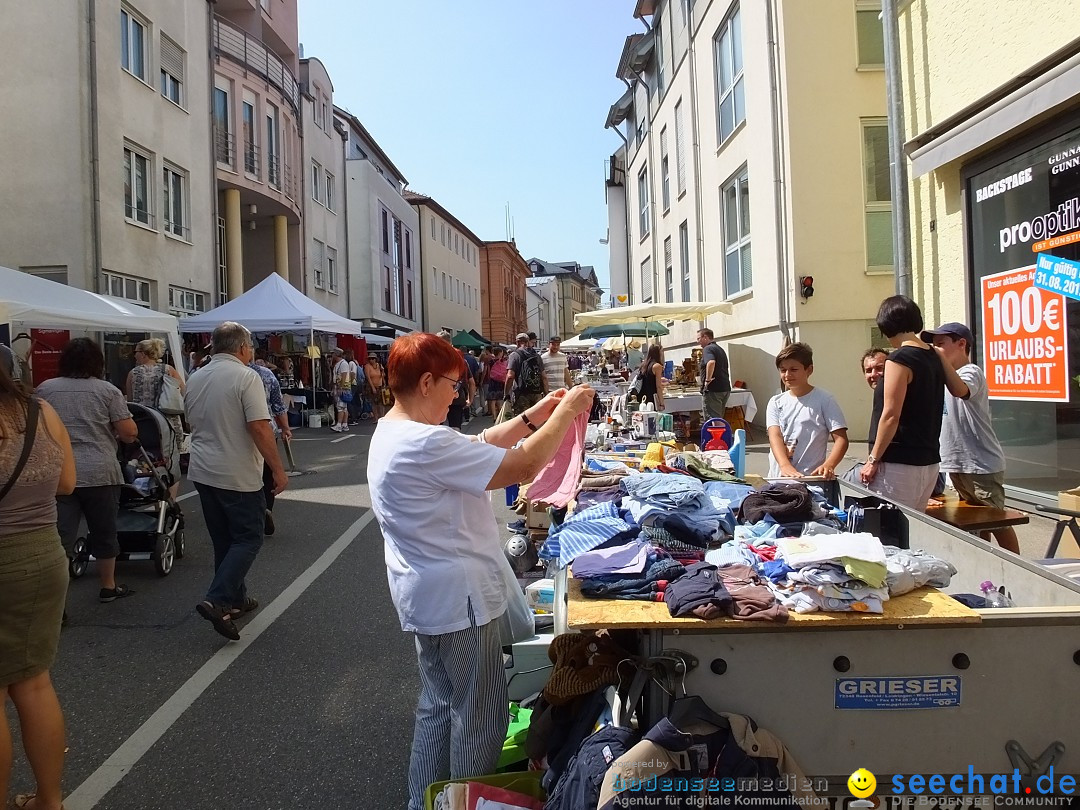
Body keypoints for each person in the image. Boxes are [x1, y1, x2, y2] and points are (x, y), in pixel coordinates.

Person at [366, 332, 595, 810]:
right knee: (478, 714)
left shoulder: (394, 430)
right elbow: (524, 465)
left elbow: (477, 442)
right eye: (453, 383)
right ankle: (463, 801)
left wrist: (533, 415)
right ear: (427, 382)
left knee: (437, 707)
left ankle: (425, 799)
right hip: (458, 601)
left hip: (426, 595)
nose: (460, 392)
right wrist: (567, 412)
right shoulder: (423, 442)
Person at [0, 349, 75, 810]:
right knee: (34, 683)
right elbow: (67, 483)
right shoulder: (41, 411)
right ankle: (49, 800)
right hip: (43, 554)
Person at [185, 322, 288, 641]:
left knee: (224, 539)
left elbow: (190, 419)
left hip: (203, 469)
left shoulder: (196, 376)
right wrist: (278, 468)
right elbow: (259, 426)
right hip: (236, 470)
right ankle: (217, 599)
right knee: (249, 536)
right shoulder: (246, 377)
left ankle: (236, 598)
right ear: (243, 348)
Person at [37, 338, 139, 603]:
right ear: (97, 362)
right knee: (105, 531)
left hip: (58, 474)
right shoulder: (107, 391)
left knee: (60, 537)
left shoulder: (46, 389)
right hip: (100, 472)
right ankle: (108, 585)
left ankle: (56, 600)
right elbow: (129, 433)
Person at [859, 297, 967, 511]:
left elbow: (891, 415)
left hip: (899, 461)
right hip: (929, 461)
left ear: (886, 326)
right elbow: (961, 390)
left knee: (892, 531)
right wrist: (937, 354)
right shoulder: (933, 354)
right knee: (913, 529)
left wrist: (872, 460)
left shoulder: (898, 359)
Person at [923, 322, 1020, 553]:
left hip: (981, 465)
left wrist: (938, 360)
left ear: (961, 344)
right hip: (956, 464)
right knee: (977, 522)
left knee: (998, 520)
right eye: (934, 345)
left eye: (941, 345)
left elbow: (962, 391)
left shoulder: (970, 372)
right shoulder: (946, 377)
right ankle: (986, 562)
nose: (936, 349)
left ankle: (1020, 567)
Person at [765, 343, 849, 479]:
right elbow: (775, 436)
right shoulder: (775, 402)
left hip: (810, 479)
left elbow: (841, 439)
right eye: (783, 370)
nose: (787, 375)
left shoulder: (825, 400)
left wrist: (829, 465)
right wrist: (785, 465)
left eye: (793, 369)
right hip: (777, 478)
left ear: (809, 370)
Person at [125, 338, 186, 500]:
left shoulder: (133, 373)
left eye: (136, 351)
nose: (135, 355)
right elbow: (183, 392)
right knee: (170, 463)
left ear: (144, 354)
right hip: (169, 424)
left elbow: (130, 402)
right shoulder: (168, 370)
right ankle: (170, 501)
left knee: (145, 459)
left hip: (144, 425)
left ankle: (147, 492)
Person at [250, 351, 292, 537]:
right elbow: (278, 405)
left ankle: (251, 512)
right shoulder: (266, 374)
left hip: (238, 433)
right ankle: (267, 508)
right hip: (267, 429)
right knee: (267, 473)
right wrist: (285, 428)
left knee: (246, 474)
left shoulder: (219, 374)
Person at [503, 332, 545, 418]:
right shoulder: (537, 356)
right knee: (536, 420)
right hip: (537, 393)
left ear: (517, 342)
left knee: (523, 422)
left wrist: (506, 393)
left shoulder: (514, 355)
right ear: (527, 342)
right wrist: (545, 393)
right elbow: (544, 377)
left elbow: (510, 376)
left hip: (521, 394)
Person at [696, 328, 731, 420]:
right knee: (718, 418)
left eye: (698, 338)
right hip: (724, 388)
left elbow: (711, 362)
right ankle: (719, 434)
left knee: (713, 420)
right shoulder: (719, 349)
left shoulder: (708, 348)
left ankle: (717, 434)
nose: (698, 342)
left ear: (705, 337)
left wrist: (707, 380)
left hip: (713, 389)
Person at [637, 343, 665, 411]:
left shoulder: (644, 365)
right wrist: (661, 403)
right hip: (652, 398)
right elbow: (658, 387)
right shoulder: (657, 366)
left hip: (642, 397)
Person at [330, 348, 352, 433]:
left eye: (333, 354)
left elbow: (344, 375)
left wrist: (341, 387)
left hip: (342, 387)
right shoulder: (340, 363)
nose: (332, 356)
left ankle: (339, 424)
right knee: (344, 407)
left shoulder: (343, 364)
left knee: (340, 407)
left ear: (336, 354)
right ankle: (344, 424)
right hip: (341, 386)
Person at [486, 347, 508, 419]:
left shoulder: (491, 361)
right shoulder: (502, 361)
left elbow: (488, 371)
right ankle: (499, 415)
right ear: (500, 353)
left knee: (492, 400)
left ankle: (494, 416)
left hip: (492, 381)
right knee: (499, 399)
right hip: (500, 382)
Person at [364, 354, 386, 422]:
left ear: (375, 359)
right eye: (370, 359)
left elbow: (383, 375)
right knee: (374, 403)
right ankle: (376, 418)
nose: (371, 360)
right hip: (372, 386)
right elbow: (368, 377)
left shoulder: (379, 365)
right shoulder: (367, 366)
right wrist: (372, 387)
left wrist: (382, 371)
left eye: (373, 359)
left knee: (381, 403)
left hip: (380, 386)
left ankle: (382, 417)